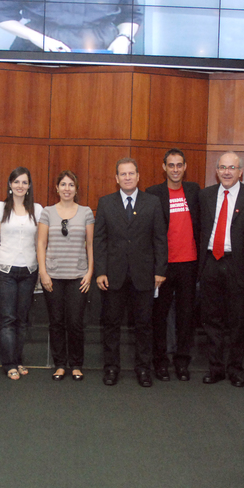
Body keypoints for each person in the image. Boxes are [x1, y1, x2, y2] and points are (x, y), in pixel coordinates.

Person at [94, 157, 167, 387]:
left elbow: (160, 239)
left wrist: (160, 270)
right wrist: (100, 271)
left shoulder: (152, 202)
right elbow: (99, 240)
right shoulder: (105, 203)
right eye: (123, 174)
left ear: (138, 176)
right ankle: (111, 368)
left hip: (144, 275)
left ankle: (143, 369)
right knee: (111, 324)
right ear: (117, 178)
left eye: (131, 173)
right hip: (112, 275)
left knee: (144, 325)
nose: (127, 177)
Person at [199, 152, 244, 388]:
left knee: (238, 320)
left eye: (232, 168)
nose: (227, 172)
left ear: (240, 172)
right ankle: (215, 368)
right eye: (223, 167)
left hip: (238, 263)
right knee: (211, 319)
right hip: (210, 262)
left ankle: (236, 369)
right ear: (217, 171)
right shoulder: (204, 195)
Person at [145, 148, 200, 382]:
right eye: (171, 165)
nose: (175, 169)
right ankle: (160, 362)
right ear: (164, 167)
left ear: (185, 167)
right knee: (159, 317)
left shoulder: (194, 191)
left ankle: (182, 362)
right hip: (163, 266)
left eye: (179, 165)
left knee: (186, 317)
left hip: (190, 264)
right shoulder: (153, 193)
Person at [37, 170, 94, 381]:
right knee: (56, 322)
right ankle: (60, 364)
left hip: (78, 275)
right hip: (53, 276)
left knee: (76, 322)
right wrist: (43, 272)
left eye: (71, 185)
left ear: (76, 189)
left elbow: (90, 245)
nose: (67, 189)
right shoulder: (47, 212)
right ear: (57, 188)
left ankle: (76, 364)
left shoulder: (86, 212)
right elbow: (41, 243)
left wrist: (90, 272)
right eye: (63, 184)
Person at [0, 167, 43, 380]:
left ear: (29, 186)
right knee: (7, 319)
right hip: (5, 271)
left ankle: (18, 360)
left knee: (22, 320)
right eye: (16, 181)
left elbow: (40, 243)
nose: (20, 185)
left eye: (24, 182)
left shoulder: (37, 210)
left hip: (29, 271)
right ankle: (9, 364)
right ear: (10, 185)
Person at [0, 0, 143, 53]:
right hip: (38, 51)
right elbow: (1, 14)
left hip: (104, 51)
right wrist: (37, 38)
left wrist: (124, 38)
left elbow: (131, 15)